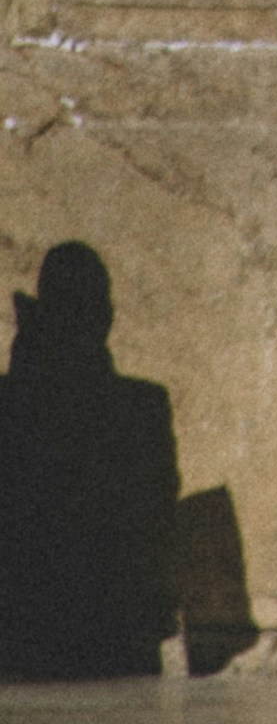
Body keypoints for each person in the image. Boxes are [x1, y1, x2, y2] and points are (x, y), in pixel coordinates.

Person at [0, 244, 180, 681]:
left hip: (24, 633)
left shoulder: (11, 404)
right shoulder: (142, 407)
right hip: (114, 634)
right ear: (104, 315)